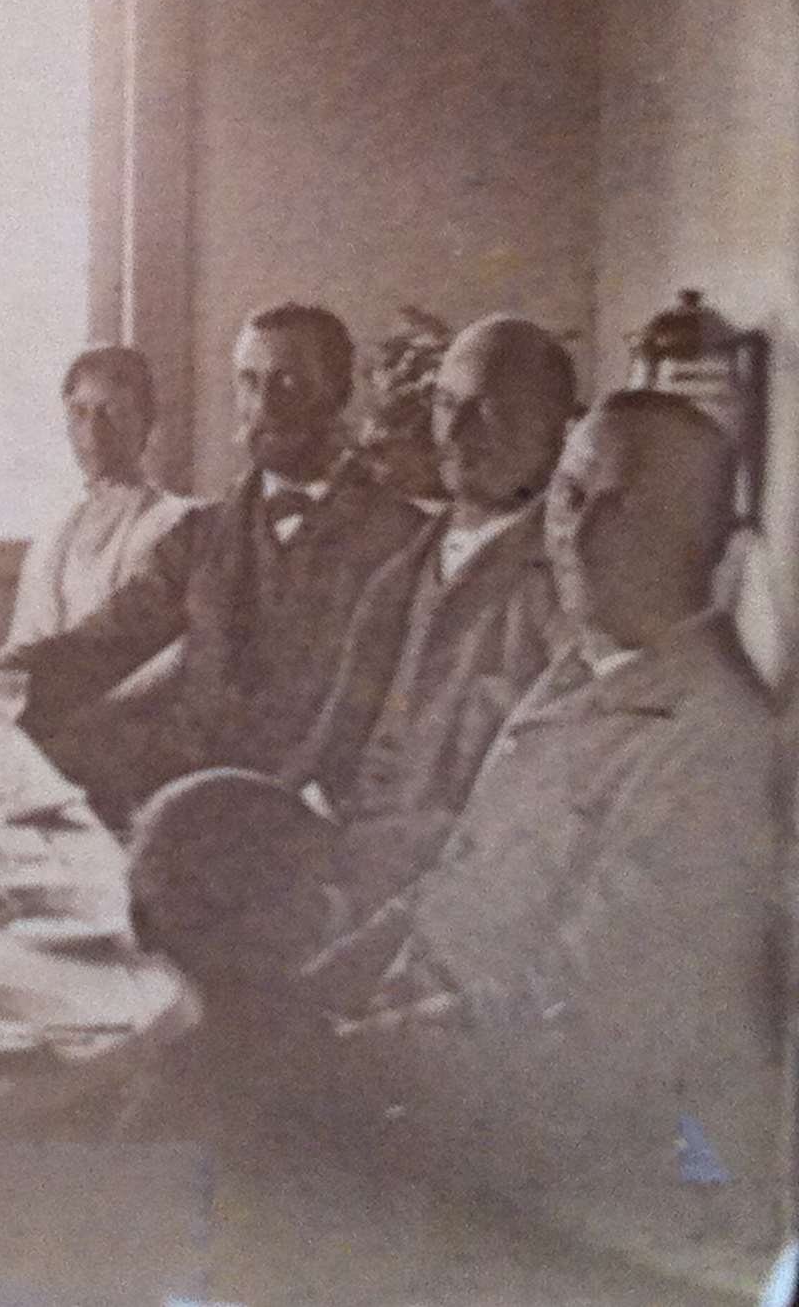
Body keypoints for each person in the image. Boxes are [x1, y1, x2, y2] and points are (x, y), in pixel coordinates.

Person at [289, 390, 784, 1288]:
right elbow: (452, 883)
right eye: (569, 493)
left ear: (705, 537)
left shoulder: (716, 742)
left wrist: (344, 1058)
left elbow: (585, 1029)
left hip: (605, 1187)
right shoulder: (575, 672)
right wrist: (315, 989)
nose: (580, 529)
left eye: (624, 503)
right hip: (461, 1083)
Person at [129, 314, 581, 974]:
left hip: (425, 883)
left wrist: (335, 879)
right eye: (447, 405)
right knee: (172, 845)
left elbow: (525, 817)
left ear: (554, 426)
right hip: (338, 838)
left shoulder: (559, 582)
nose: (454, 434)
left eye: (488, 412)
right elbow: (332, 737)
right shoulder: (413, 558)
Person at [3, 303, 425, 822]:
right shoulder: (204, 533)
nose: (264, 405)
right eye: (249, 382)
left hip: (309, 815)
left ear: (337, 395)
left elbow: (390, 726)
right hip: (178, 795)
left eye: (288, 384)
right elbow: (97, 646)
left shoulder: (403, 541)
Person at [7, 344, 193, 644]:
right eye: (79, 413)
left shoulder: (174, 523)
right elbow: (21, 647)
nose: (93, 432)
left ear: (146, 421)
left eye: (113, 413)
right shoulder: (53, 536)